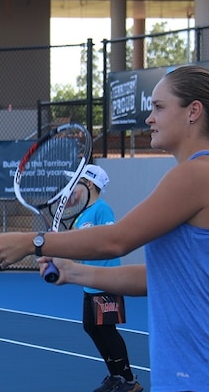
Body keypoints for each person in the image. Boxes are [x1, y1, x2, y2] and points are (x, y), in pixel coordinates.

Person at [0, 65, 209, 391]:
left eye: (159, 107)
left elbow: (117, 239)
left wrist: (33, 242)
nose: (150, 118)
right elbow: (161, 277)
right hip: (203, 370)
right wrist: (75, 272)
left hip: (208, 373)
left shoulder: (197, 175)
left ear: (193, 111)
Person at [71, 164, 142, 392]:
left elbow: (110, 241)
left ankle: (129, 381)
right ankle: (115, 376)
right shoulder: (81, 214)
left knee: (107, 330)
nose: (74, 187)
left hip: (106, 281)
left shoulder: (103, 210)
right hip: (89, 284)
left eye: (79, 181)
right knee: (91, 328)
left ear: (90, 184)